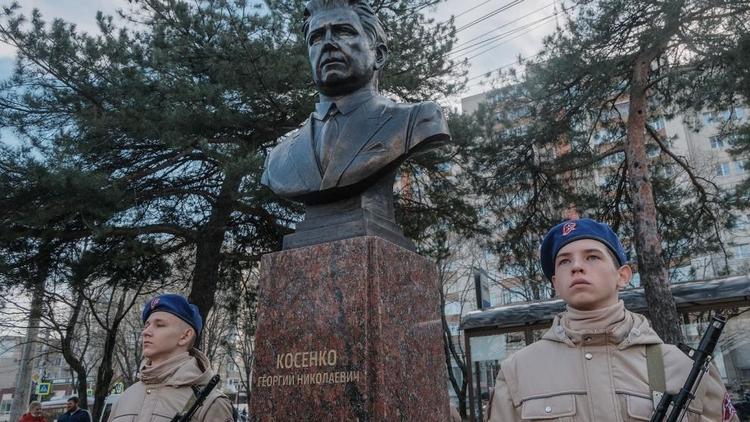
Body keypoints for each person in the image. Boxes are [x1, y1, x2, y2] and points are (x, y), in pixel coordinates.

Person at [485, 218, 739, 421]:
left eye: (592, 257)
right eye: (564, 261)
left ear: (623, 275)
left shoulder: (681, 368)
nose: (576, 267)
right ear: (555, 283)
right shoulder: (519, 370)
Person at [261, 0, 449, 248]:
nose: (327, 43)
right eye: (316, 38)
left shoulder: (417, 120)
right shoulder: (278, 158)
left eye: (343, 31)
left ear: (378, 55)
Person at [107, 294, 233, 422]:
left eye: (159, 325)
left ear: (185, 336)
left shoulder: (210, 403)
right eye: (146, 325)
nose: (146, 332)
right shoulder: (125, 397)